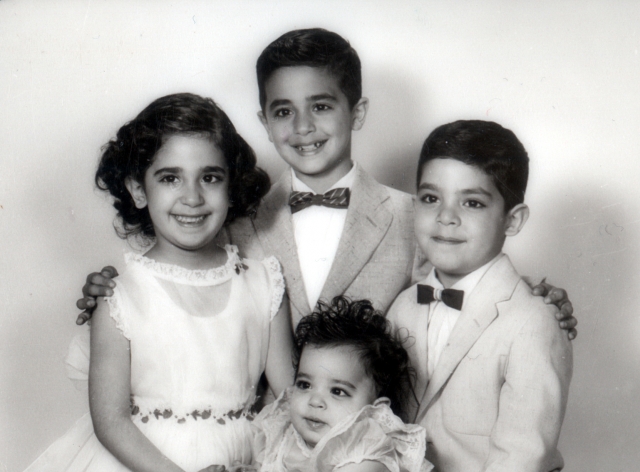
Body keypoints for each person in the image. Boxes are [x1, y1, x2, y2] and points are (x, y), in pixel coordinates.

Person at [75, 28, 578, 337]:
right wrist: (110, 289)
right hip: (264, 450)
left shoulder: (416, 217)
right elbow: (176, 273)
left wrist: (532, 299)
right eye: (283, 112)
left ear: (356, 112)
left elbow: (467, 286)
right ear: (265, 122)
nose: (303, 128)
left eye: (321, 106)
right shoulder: (234, 219)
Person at [10, 93, 294, 472]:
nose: (192, 197)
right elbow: (110, 422)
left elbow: (288, 401)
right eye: (170, 177)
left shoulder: (263, 281)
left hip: (242, 468)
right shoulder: (119, 295)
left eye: (210, 177)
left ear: (232, 186)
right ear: (138, 190)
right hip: (148, 470)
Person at [387, 120, 573, 472]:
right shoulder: (403, 306)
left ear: (513, 220)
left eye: (471, 202)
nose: (446, 217)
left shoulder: (533, 321)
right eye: (430, 198)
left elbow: (522, 458)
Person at [238, 296, 441, 472]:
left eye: (337, 391)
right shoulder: (283, 436)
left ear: (374, 412)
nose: (315, 400)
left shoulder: (365, 454)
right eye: (304, 385)